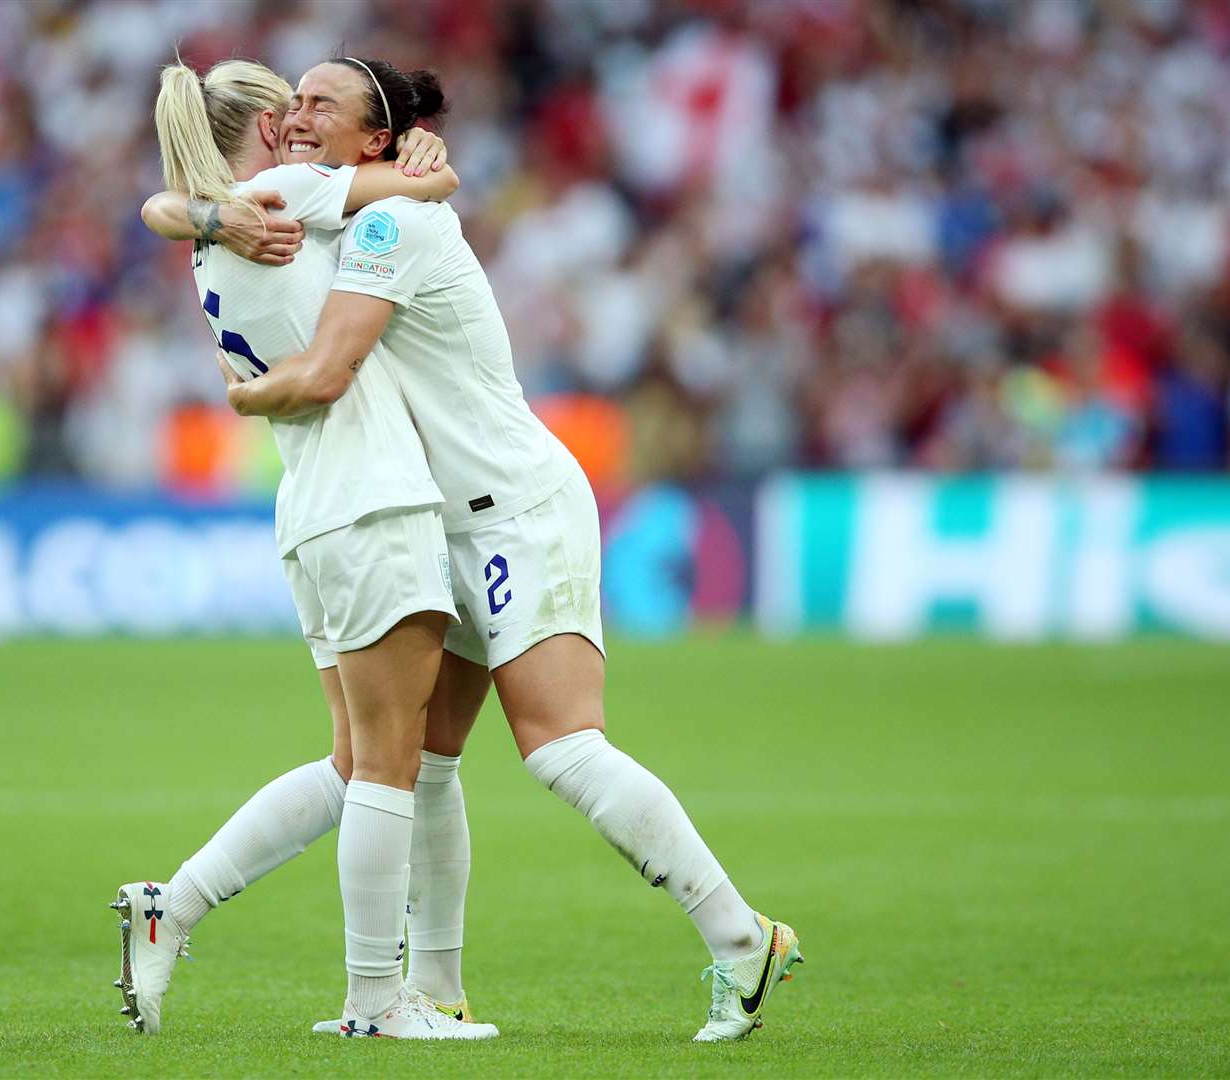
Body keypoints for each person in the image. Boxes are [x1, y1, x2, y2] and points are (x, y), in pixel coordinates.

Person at [147, 55, 801, 1042]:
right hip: (437, 516)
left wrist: (244, 395)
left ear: (376, 138)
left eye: (322, 101)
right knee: (420, 763)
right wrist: (201, 213)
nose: (299, 113)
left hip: (515, 506)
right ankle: (437, 990)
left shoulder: (388, 221)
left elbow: (324, 367)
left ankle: (739, 936)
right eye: (293, 101)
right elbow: (193, 202)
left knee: (561, 746)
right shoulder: (335, 204)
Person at [116, 55, 497, 1042]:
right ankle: (374, 1003)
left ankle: (177, 903)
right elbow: (424, 186)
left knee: (353, 759)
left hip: (313, 505)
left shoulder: (221, 227)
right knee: (388, 766)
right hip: (373, 498)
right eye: (294, 108)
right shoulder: (281, 192)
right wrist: (423, 151)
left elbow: (171, 207)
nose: (304, 122)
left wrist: (188, 208)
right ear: (271, 123)